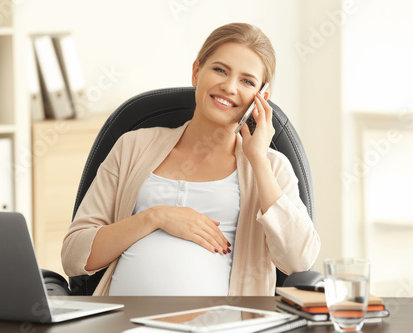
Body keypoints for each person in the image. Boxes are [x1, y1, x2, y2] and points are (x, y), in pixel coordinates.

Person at [61, 22, 320, 296]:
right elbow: (74, 256)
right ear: (197, 72)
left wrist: (258, 160)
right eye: (220, 70)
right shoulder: (132, 146)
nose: (229, 87)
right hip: (121, 323)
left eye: (247, 81)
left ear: (261, 98)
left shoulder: (271, 166)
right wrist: (155, 217)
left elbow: (299, 261)